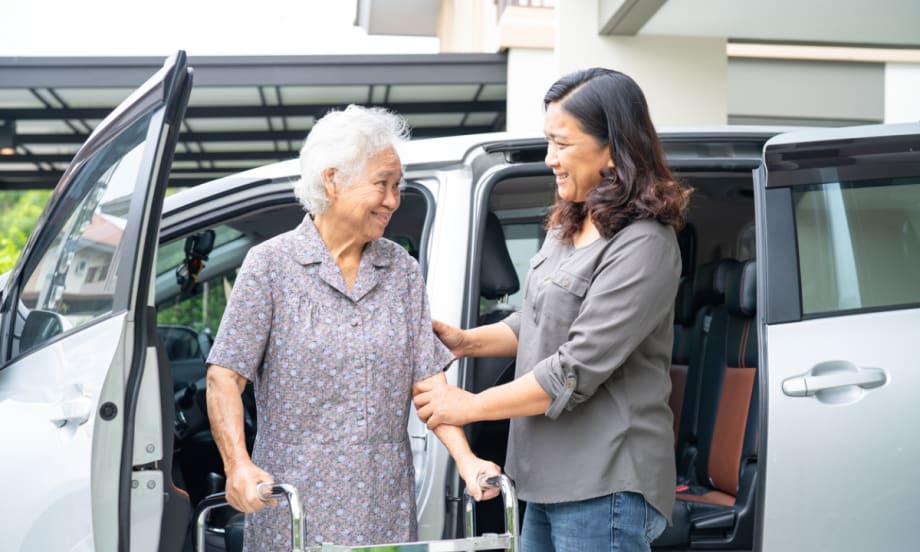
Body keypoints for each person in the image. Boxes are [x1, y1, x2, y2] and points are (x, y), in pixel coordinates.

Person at [413, 68, 691, 552]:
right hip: (540, 477)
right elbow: (537, 320)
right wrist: (468, 341)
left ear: (612, 148)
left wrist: (470, 406)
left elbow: (574, 369)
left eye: (562, 144)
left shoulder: (644, 243)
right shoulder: (571, 222)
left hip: (602, 483)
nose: (549, 159)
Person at [206, 104, 500, 550]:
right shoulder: (270, 266)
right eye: (381, 184)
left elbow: (429, 384)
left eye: (397, 186)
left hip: (383, 509)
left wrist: (466, 459)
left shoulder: (400, 270)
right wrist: (238, 466)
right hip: (295, 511)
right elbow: (224, 375)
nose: (393, 200)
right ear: (332, 180)